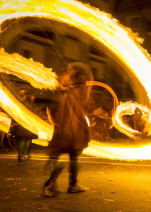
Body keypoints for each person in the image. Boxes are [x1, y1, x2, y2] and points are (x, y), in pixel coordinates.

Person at [43, 63, 103, 197]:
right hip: (74, 132)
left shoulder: (63, 93)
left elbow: (53, 109)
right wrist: (107, 115)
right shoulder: (79, 93)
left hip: (61, 131)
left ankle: (55, 184)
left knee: (61, 157)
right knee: (73, 157)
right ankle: (66, 184)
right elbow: (91, 108)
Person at [10, 89, 38, 162]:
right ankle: (24, 154)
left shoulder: (20, 103)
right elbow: (34, 113)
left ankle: (21, 155)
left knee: (23, 139)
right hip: (28, 124)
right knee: (26, 139)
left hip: (22, 124)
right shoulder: (31, 104)